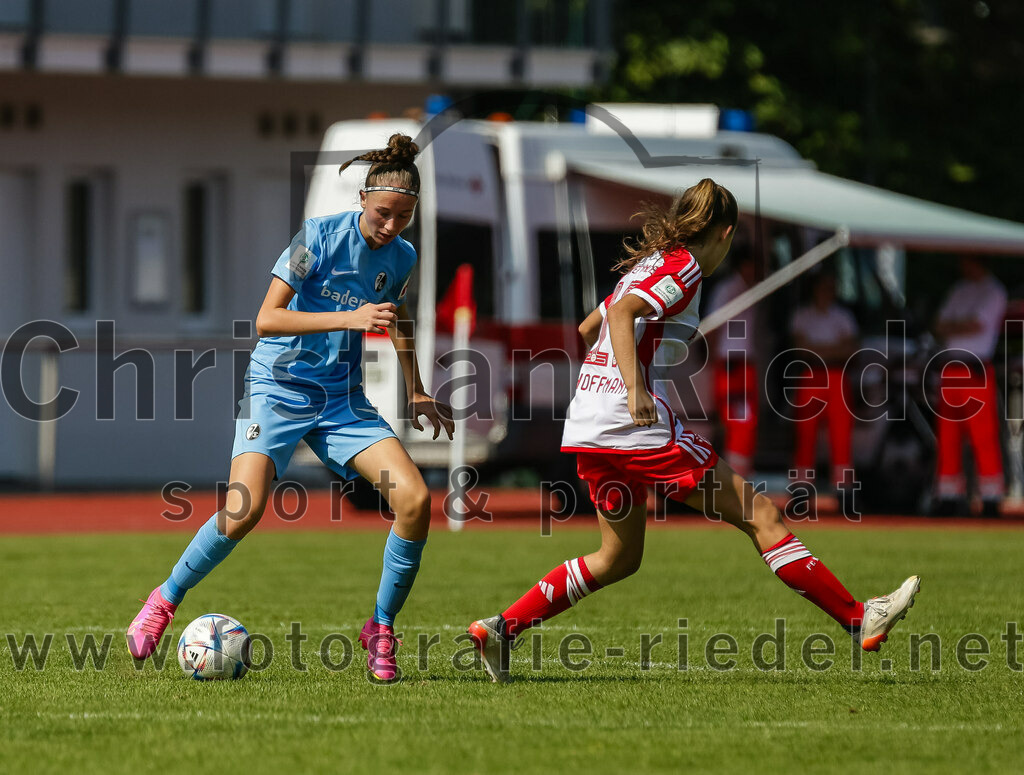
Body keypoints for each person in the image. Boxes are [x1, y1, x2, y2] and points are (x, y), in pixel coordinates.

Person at [467, 179, 919, 683]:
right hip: (629, 422)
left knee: (617, 557)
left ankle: (502, 629)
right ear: (726, 233)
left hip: (589, 423)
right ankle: (860, 619)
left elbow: (588, 328)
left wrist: (626, 367)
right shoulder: (683, 265)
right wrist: (637, 388)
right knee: (761, 514)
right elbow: (619, 314)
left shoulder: (648, 263)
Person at [126, 134, 454, 683]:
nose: (391, 227)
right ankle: (164, 598)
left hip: (341, 399)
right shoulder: (317, 238)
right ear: (364, 201)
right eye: (382, 214)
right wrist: (348, 319)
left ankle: (380, 626)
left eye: (404, 217)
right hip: (278, 388)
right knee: (243, 510)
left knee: (416, 500)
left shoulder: (402, 256)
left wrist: (416, 387)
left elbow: (390, 318)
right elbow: (267, 319)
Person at [932, 255, 1007, 517]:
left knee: (983, 436)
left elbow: (976, 325)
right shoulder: (959, 289)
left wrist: (954, 325)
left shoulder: (994, 290)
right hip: (951, 368)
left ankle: (990, 498)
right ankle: (948, 496)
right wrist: (957, 325)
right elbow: (939, 324)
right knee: (948, 437)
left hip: (975, 369)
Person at [789, 270, 860, 492]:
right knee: (805, 432)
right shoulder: (802, 315)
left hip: (836, 376)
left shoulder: (843, 316)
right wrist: (833, 348)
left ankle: (844, 486)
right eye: (823, 287)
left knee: (841, 434)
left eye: (831, 287)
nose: (827, 292)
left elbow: (850, 349)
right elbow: (801, 348)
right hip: (810, 375)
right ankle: (802, 485)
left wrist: (817, 349)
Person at [707, 251, 760, 478]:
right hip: (731, 364)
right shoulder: (728, 289)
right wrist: (711, 359)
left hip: (742, 364)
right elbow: (712, 325)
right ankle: (736, 475)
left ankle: (737, 472)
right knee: (740, 420)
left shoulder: (749, 289)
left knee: (742, 420)